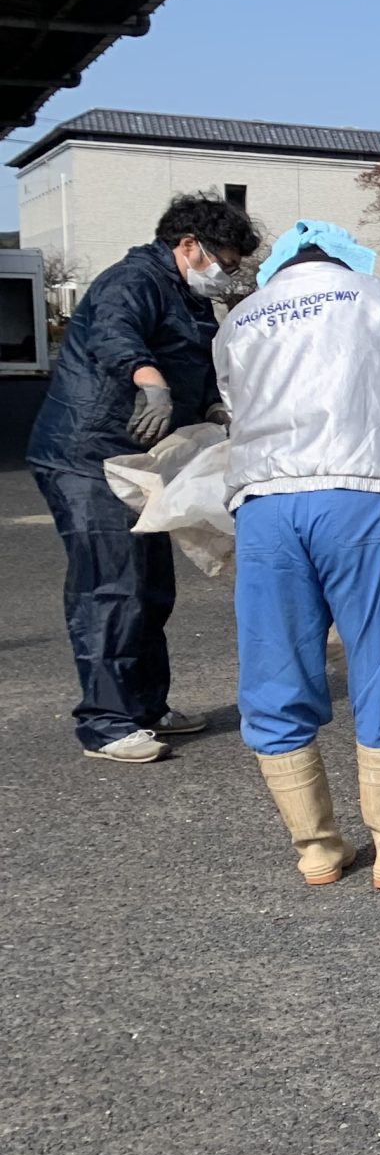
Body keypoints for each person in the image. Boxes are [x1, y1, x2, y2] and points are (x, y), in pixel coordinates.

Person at [217, 223, 380, 890]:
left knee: (275, 666)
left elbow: (233, 409)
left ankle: (317, 848)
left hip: (266, 501)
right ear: (346, 259)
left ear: (280, 266)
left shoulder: (240, 319)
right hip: (366, 492)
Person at [27, 191, 260, 763]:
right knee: (112, 584)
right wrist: (150, 381)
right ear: (188, 245)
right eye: (225, 261)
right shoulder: (130, 280)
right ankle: (104, 722)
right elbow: (115, 336)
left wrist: (212, 408)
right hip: (88, 454)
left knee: (151, 586)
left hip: (141, 460)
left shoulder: (187, 295)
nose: (227, 274)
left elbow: (199, 363)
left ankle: (146, 706)